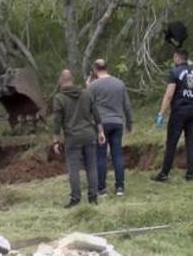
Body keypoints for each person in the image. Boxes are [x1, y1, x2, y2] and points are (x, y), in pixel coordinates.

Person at [52, 69, 106, 207]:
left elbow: (57, 122)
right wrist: (100, 132)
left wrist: (56, 141)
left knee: (73, 169)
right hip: (89, 135)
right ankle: (93, 197)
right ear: (72, 79)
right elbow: (96, 114)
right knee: (91, 167)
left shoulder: (59, 98)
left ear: (60, 81)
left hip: (73, 138)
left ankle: (75, 198)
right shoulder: (86, 93)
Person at [152, 49, 193, 182]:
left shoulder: (174, 73)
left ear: (176, 57)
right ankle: (190, 173)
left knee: (172, 142)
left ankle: (164, 173)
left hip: (179, 111)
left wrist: (161, 114)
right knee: (191, 142)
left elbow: (169, 95)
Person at [87, 59, 133, 196]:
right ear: (107, 68)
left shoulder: (94, 86)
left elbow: (87, 104)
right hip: (117, 123)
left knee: (100, 155)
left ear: (95, 70)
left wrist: (87, 87)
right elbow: (127, 105)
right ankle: (120, 187)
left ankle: (102, 189)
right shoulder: (119, 84)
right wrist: (129, 123)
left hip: (101, 124)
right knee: (117, 154)